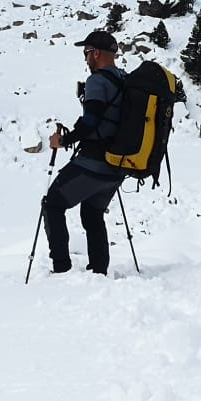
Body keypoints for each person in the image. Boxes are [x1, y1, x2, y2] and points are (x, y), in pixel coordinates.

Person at [42, 29, 129, 275]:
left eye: (86, 53)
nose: (85, 58)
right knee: (92, 213)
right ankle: (98, 273)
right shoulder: (125, 79)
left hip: (94, 163)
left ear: (96, 53)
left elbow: (90, 121)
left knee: (52, 205)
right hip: (118, 166)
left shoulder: (98, 81)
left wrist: (63, 140)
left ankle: (61, 269)